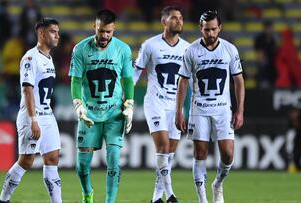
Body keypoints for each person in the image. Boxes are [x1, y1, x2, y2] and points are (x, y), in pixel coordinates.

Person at [175, 11, 245, 203]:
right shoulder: (191, 51)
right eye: (207, 29)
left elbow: (238, 81)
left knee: (228, 154)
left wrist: (239, 110)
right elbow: (182, 82)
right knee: (200, 154)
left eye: (214, 29)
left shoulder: (230, 50)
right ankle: (203, 200)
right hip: (199, 110)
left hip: (223, 110)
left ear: (220, 28)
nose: (211, 33)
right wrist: (179, 111)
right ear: (201, 29)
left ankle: (218, 183)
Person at [69, 9, 134, 203]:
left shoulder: (123, 49)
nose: (104, 36)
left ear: (114, 29)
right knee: (82, 166)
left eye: (109, 32)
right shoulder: (80, 49)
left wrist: (129, 104)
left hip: (114, 114)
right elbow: (75, 81)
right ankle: (87, 193)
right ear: (94, 27)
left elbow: (128, 80)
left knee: (114, 160)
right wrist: (78, 105)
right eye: (101, 31)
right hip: (89, 115)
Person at [0, 17, 62, 203]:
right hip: (31, 117)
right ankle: (3, 200)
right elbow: (27, 89)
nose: (57, 35)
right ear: (41, 33)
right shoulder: (30, 58)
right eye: (53, 31)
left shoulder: (49, 59)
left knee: (52, 159)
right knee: (26, 161)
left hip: (48, 115)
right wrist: (33, 119)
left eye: (58, 32)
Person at [133, 5, 189, 203]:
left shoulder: (187, 48)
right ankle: (171, 195)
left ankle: (156, 198)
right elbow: (135, 71)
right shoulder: (150, 45)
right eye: (174, 18)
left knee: (169, 153)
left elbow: (190, 79)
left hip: (175, 107)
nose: (179, 21)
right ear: (164, 21)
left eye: (181, 17)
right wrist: (128, 98)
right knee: (163, 147)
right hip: (155, 103)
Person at [254, 20, 277, 89]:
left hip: (271, 65)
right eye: (268, 28)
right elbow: (259, 52)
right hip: (263, 64)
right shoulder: (259, 39)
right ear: (265, 28)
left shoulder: (272, 40)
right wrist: (262, 59)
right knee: (263, 64)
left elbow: (273, 53)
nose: (269, 30)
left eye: (270, 28)